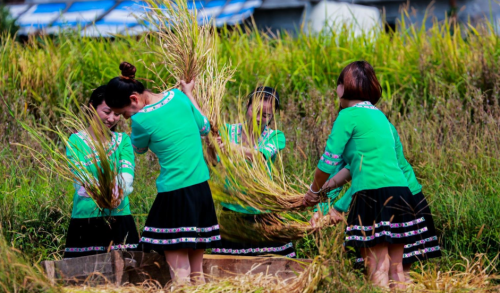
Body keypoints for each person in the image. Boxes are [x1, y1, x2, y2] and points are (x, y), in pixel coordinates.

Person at [303, 61, 434, 289]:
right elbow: (353, 169)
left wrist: (313, 191)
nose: (336, 91)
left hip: (372, 196)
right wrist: (323, 200)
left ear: (344, 87)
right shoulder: (380, 117)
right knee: (397, 269)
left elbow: (329, 161)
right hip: (401, 193)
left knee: (376, 268)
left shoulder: (347, 115)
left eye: (338, 84)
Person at [104, 62, 220, 285]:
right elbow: (205, 127)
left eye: (123, 114)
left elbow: (138, 149)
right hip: (201, 190)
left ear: (134, 99)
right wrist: (189, 93)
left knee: (180, 275)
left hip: (175, 195)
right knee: (198, 274)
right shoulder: (178, 95)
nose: (126, 119)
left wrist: (137, 125)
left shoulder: (140, 119)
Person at [211, 87, 296, 258]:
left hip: (263, 210)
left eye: (266, 115)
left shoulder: (276, 136)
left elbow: (260, 156)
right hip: (233, 209)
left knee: (274, 265)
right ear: (247, 106)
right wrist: (212, 145)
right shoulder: (227, 131)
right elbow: (213, 162)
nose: (259, 119)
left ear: (272, 117)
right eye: (255, 111)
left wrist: (231, 148)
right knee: (228, 265)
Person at [64, 85, 139, 258]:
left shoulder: (123, 141)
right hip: (86, 218)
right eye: (107, 112)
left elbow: (127, 174)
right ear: (92, 107)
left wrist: (117, 194)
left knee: (126, 277)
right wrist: (101, 194)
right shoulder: (76, 141)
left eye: (117, 113)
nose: (112, 118)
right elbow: (81, 177)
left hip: (119, 216)